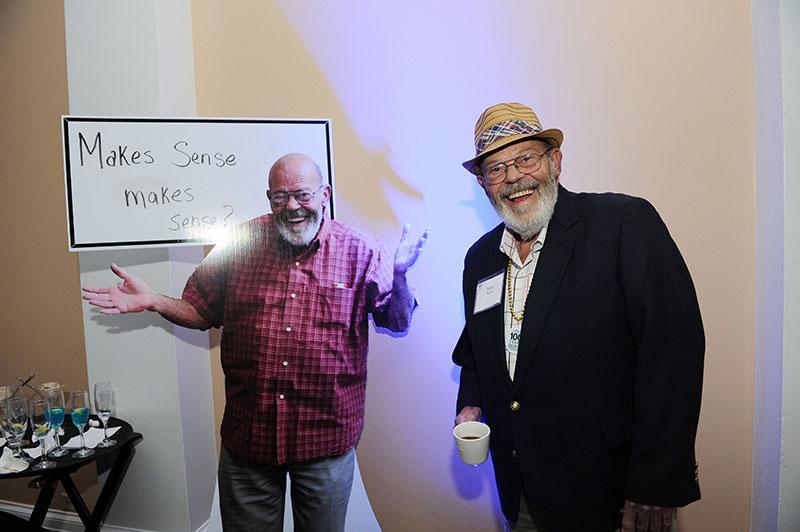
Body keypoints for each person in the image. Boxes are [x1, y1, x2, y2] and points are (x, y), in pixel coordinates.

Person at [83, 153, 428, 532]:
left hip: (325, 441)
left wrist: (399, 276)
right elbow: (199, 311)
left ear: (324, 194)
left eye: (301, 194)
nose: (292, 207)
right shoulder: (239, 243)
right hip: (250, 440)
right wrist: (153, 300)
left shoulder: (361, 250)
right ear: (269, 198)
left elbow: (396, 322)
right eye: (280, 197)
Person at [452, 103, 704, 532]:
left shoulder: (623, 223)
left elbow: (673, 352)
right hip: (522, 487)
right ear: (483, 184)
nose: (513, 177)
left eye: (526, 158)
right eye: (496, 169)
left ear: (555, 161)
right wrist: (470, 403)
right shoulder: (479, 260)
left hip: (615, 490)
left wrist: (656, 482)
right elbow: (477, 347)